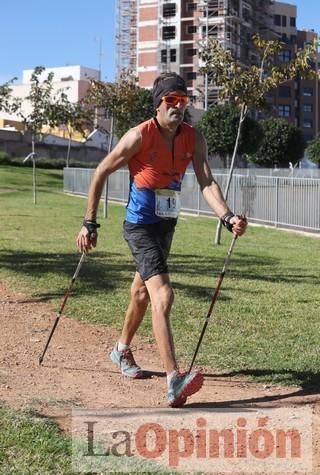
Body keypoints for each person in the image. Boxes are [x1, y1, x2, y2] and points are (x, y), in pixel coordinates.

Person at [76, 72, 247, 408]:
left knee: (141, 293)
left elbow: (207, 182)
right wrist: (89, 222)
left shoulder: (193, 138)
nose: (179, 107)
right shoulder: (139, 135)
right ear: (158, 104)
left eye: (184, 101)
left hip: (166, 225)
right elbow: (100, 172)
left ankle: (121, 349)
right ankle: (174, 380)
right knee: (163, 295)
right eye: (172, 101)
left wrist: (227, 217)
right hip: (139, 226)